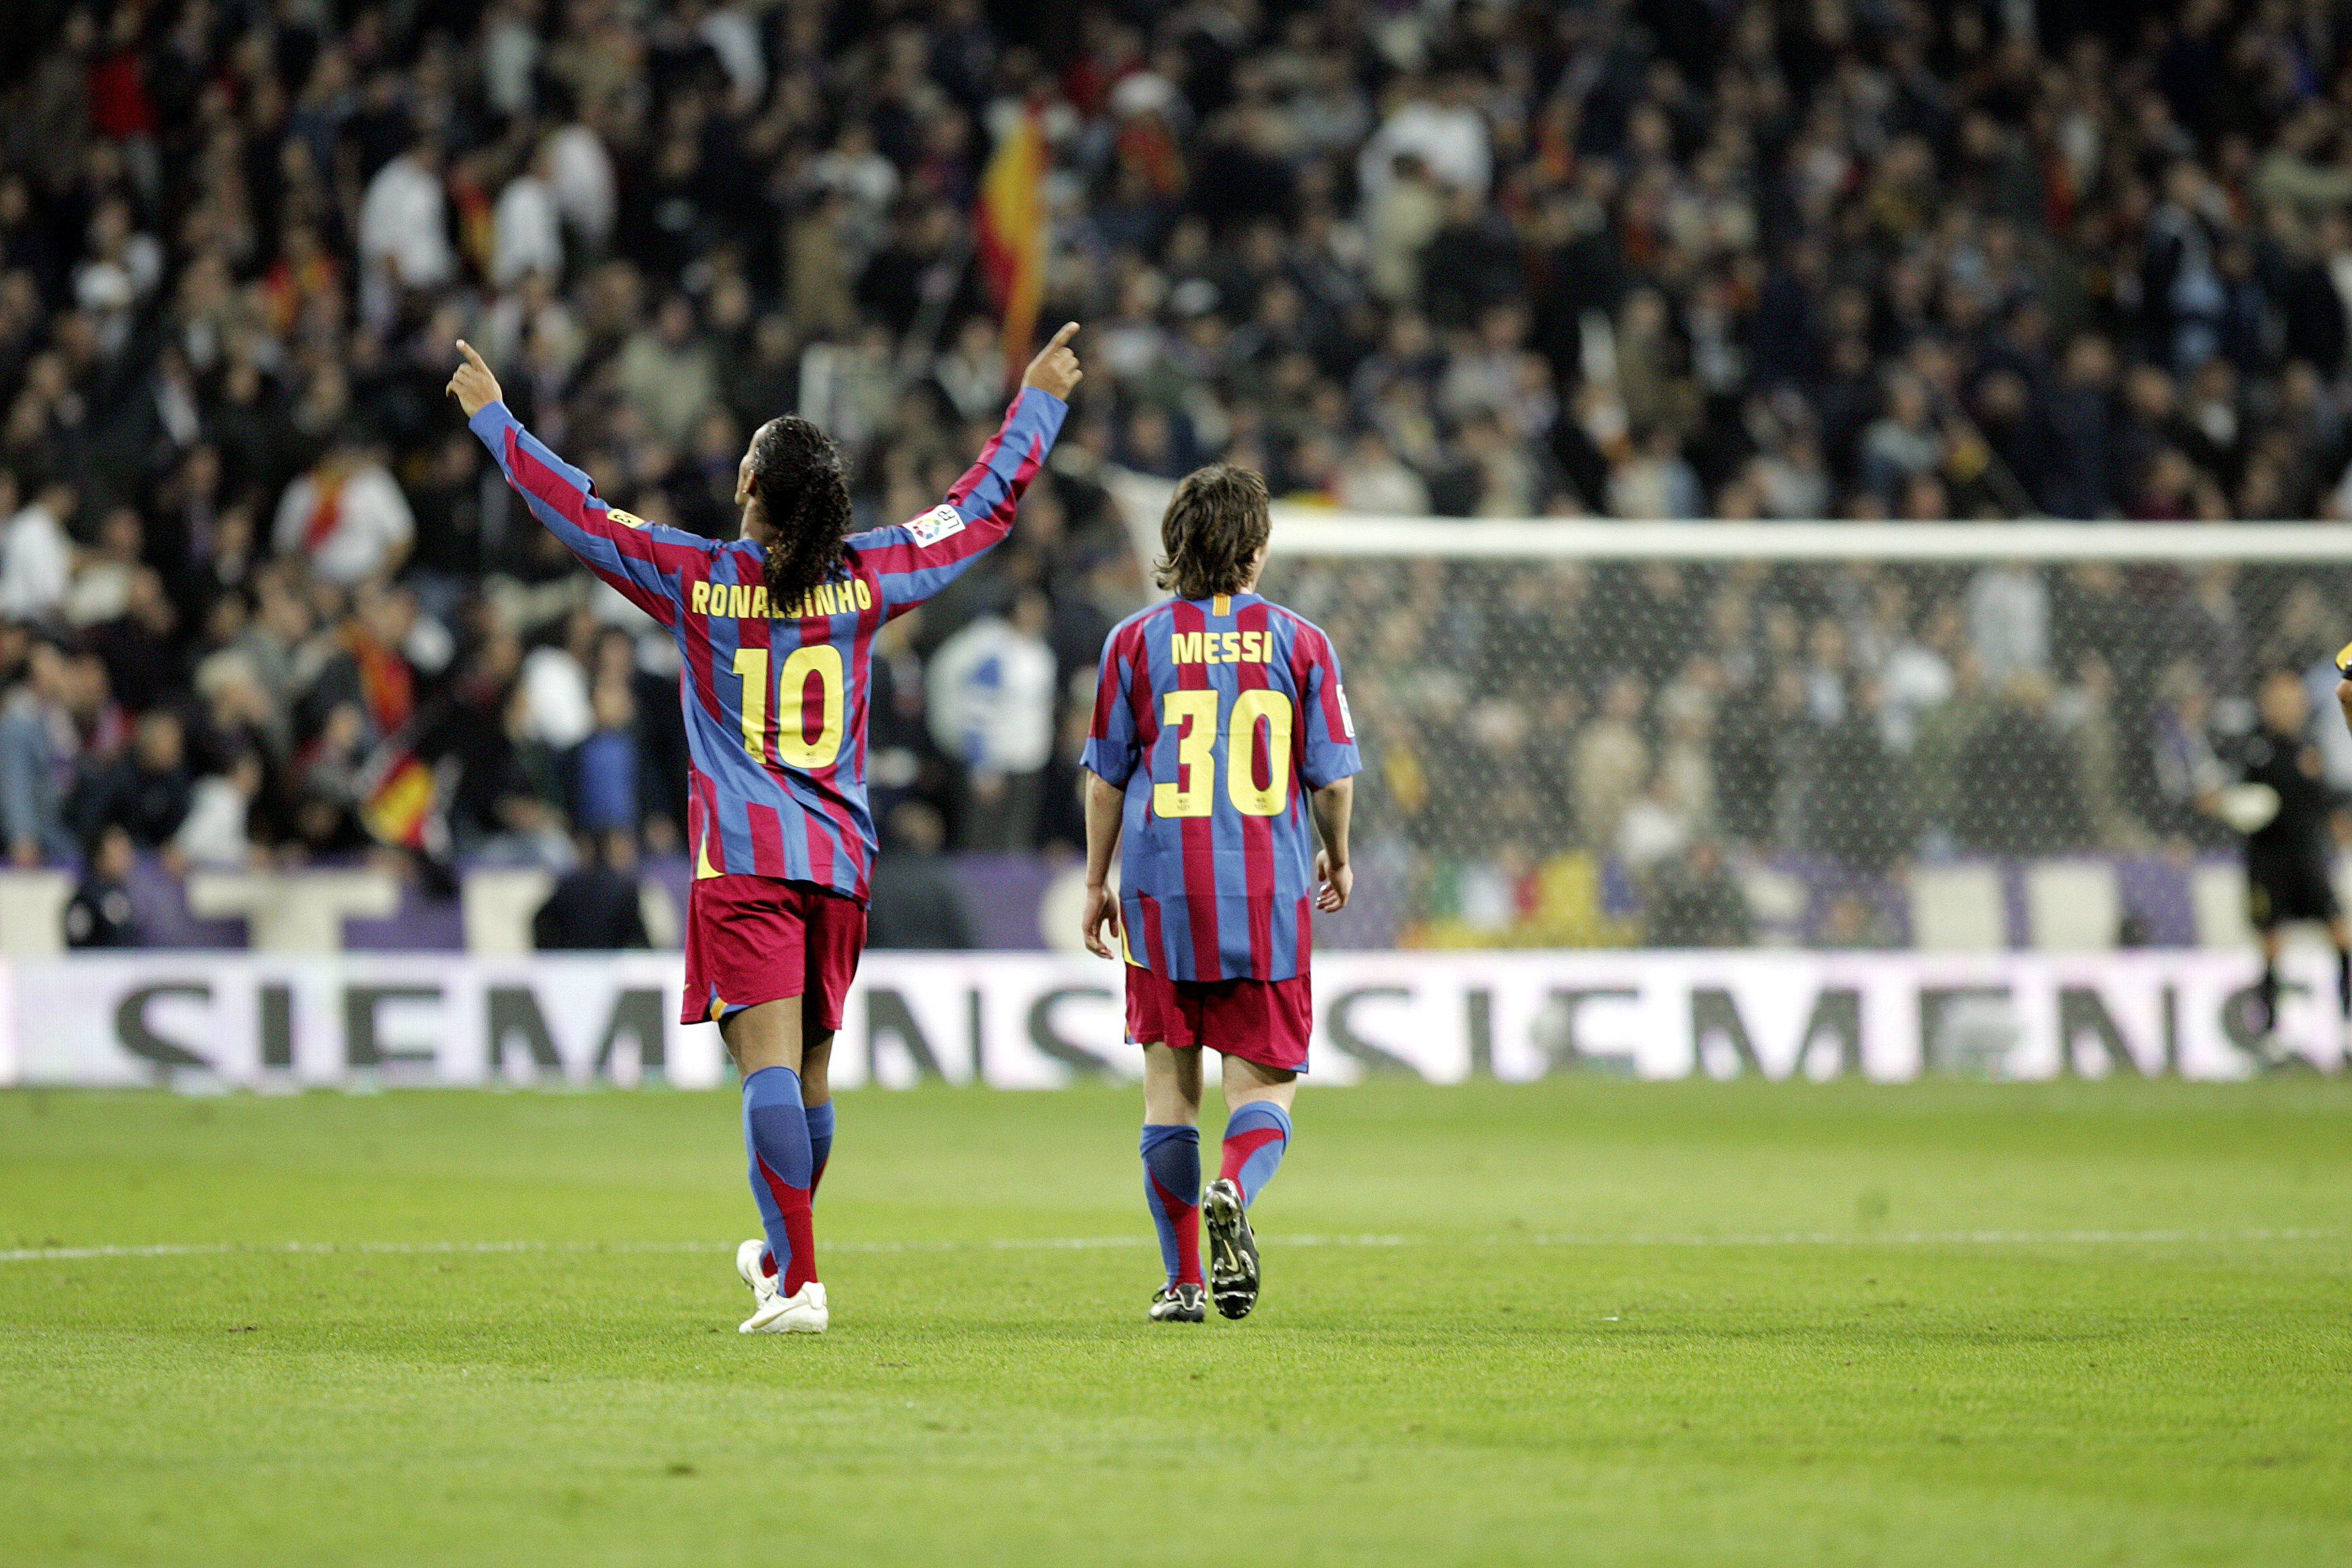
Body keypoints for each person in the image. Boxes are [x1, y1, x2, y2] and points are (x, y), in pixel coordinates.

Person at [450, 322, 1081, 1334]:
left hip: (745, 858)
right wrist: (1038, 401)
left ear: (751, 483)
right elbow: (977, 509)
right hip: (839, 861)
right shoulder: (869, 577)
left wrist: (497, 423)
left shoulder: (700, 580)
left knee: (769, 1071)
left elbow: (581, 515)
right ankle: (784, 1257)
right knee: (812, 1074)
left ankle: (801, 1284)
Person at [1079, 464, 1361, 1324]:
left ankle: (1184, 1281)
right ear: (1259, 546)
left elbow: (1106, 779)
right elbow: (1334, 781)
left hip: (1162, 893)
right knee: (1264, 1090)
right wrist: (1337, 857)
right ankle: (1234, 1187)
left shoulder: (1132, 641)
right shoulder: (1302, 642)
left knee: (1170, 1091)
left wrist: (1097, 880)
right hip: (1265, 895)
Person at [2217, 668, 2351, 1055]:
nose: (2288, 707)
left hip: (2309, 860)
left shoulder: (2310, 748)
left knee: (2342, 938)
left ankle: (2346, 1028)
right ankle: (2270, 1036)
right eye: (2280, 700)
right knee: (2272, 946)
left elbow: (2324, 799)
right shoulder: (2252, 748)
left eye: (2293, 699)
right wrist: (2235, 805)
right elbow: (2230, 797)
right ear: (2266, 704)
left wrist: (2339, 823)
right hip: (2267, 863)